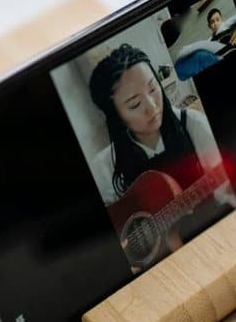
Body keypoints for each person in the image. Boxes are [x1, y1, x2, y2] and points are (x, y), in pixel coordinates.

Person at [87, 44, 225, 206]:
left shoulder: (195, 126)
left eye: (153, 89)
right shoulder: (104, 167)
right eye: (135, 104)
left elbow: (228, 192)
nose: (152, 107)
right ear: (115, 117)